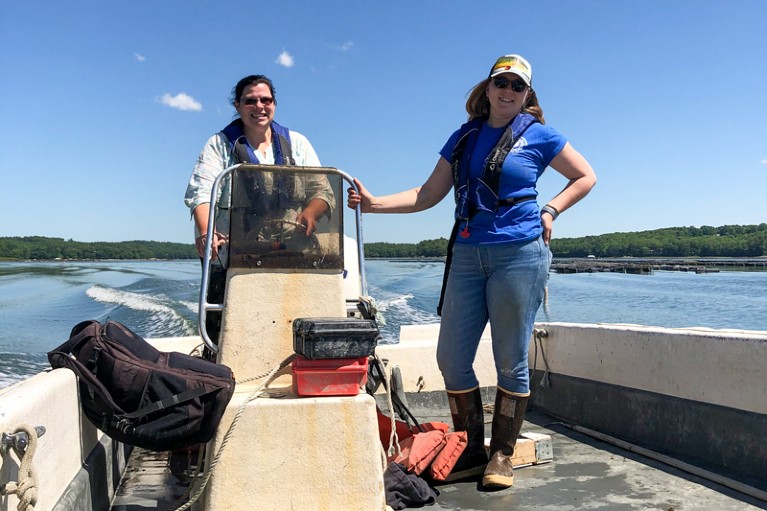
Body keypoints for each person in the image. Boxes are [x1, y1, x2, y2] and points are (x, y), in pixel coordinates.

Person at [347, 54, 596, 489]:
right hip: (466, 255)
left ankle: (500, 455)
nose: (508, 91)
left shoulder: (540, 135)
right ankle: (471, 449)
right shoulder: (463, 138)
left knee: (510, 359)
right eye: (501, 82)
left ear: (527, 95)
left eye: (517, 86)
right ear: (488, 87)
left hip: (519, 254)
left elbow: (586, 176)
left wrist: (552, 208)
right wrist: (374, 204)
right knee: (452, 358)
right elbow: (428, 193)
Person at [184, 74, 334, 341]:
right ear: (238, 105)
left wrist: (311, 212)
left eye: (266, 100)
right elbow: (202, 192)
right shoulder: (219, 145)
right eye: (250, 101)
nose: (259, 107)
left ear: (274, 104)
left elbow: (322, 190)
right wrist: (207, 232)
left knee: (291, 321)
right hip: (233, 251)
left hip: (290, 248)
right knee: (229, 328)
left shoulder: (297, 143)